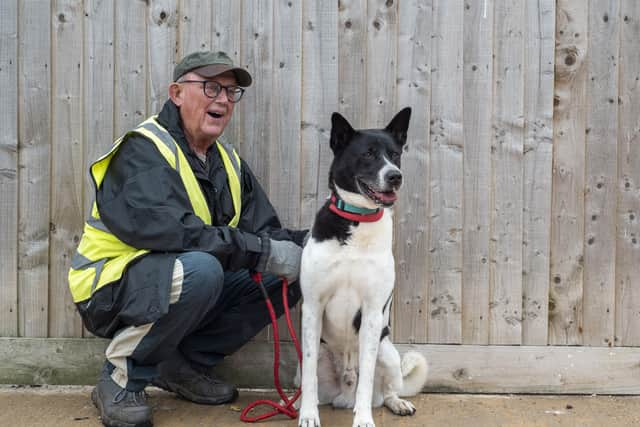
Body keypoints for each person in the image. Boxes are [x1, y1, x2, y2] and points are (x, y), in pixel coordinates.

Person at [68, 50, 306, 427]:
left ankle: (179, 365)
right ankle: (119, 376)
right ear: (177, 93)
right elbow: (177, 233)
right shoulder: (142, 151)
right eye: (211, 87)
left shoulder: (227, 162)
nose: (224, 99)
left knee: (293, 269)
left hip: (174, 282)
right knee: (203, 268)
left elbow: (265, 233)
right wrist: (262, 251)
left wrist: (324, 244)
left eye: (231, 92)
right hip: (108, 288)